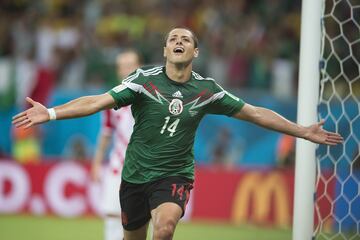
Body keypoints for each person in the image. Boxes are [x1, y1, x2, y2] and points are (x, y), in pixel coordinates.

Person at [13, 27, 343, 240]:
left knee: (166, 226)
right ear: (166, 51)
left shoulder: (207, 90)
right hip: (135, 176)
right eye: (173, 39)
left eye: (186, 39)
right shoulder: (143, 81)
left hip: (174, 175)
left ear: (195, 52)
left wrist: (302, 131)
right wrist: (52, 112)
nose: (179, 42)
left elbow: (255, 113)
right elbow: (97, 102)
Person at [91, 49, 141, 240]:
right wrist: (96, 163)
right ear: (118, 71)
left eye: (131, 65)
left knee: (140, 218)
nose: (127, 70)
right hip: (118, 165)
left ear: (139, 67)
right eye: (123, 66)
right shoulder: (111, 100)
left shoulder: (152, 98)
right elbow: (106, 134)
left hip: (144, 167)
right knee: (112, 213)